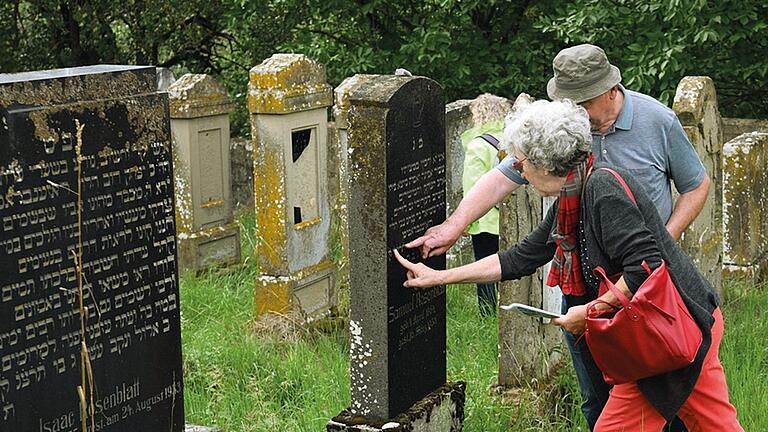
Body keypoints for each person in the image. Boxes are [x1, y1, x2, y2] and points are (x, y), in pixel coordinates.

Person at [407, 44, 709, 430]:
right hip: (588, 287)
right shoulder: (569, 188)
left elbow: (690, 194)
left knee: (668, 401)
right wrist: (447, 249)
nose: (575, 113)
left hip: (643, 290)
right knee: (601, 400)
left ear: (611, 90)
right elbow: (520, 250)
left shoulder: (631, 151)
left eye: (582, 104)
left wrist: (660, 242)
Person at [460, 94, 517, 316]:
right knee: (510, 265)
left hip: (485, 219)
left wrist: (464, 219)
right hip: (510, 217)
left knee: (484, 269)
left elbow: (472, 186)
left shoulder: (478, 145)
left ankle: (488, 313)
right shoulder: (511, 139)